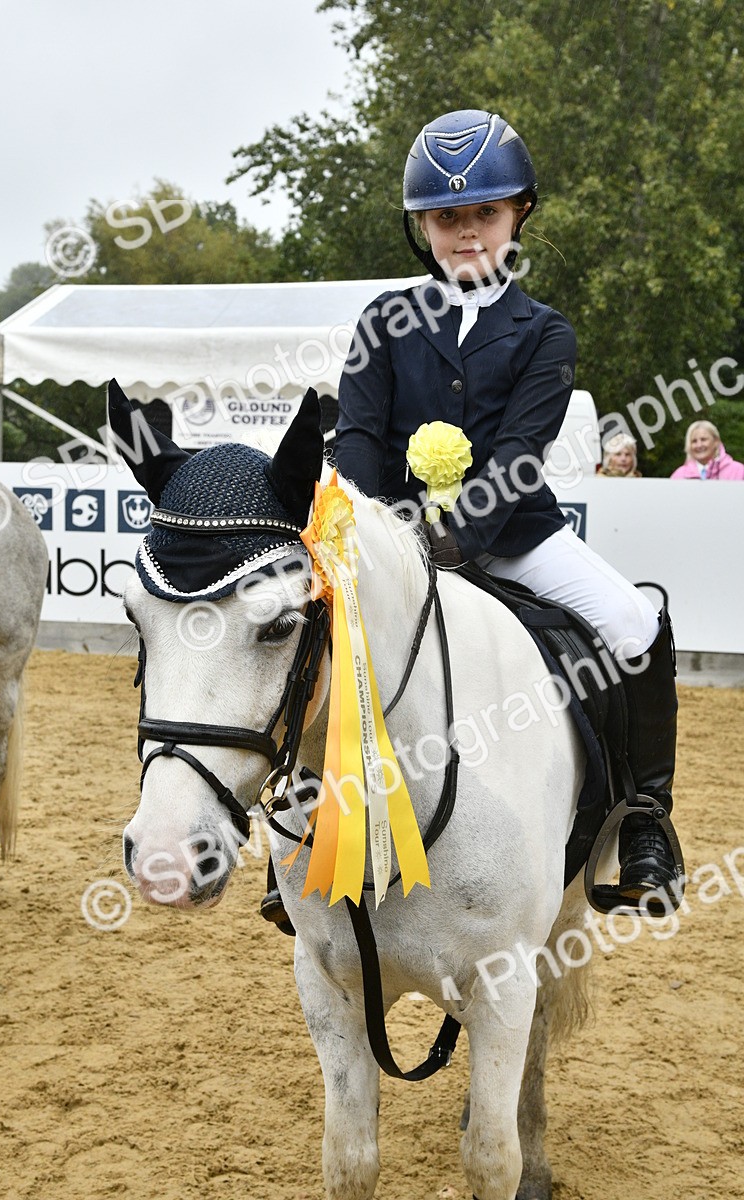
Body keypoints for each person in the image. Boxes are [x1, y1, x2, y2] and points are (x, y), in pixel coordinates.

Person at [332, 108, 681, 907]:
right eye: (446, 218)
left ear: (517, 212)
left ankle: (645, 821)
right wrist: (384, 538)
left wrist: (450, 541)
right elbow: (355, 442)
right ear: (421, 225)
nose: (466, 233)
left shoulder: (543, 333)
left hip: (515, 537)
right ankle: (312, 829)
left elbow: (520, 456)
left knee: (635, 623)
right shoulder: (383, 322)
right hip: (391, 540)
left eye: (483, 214)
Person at [670, 419, 744, 480]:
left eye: (703, 439)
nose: (699, 445)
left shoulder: (738, 471)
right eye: (694, 441)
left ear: (716, 441)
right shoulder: (679, 475)